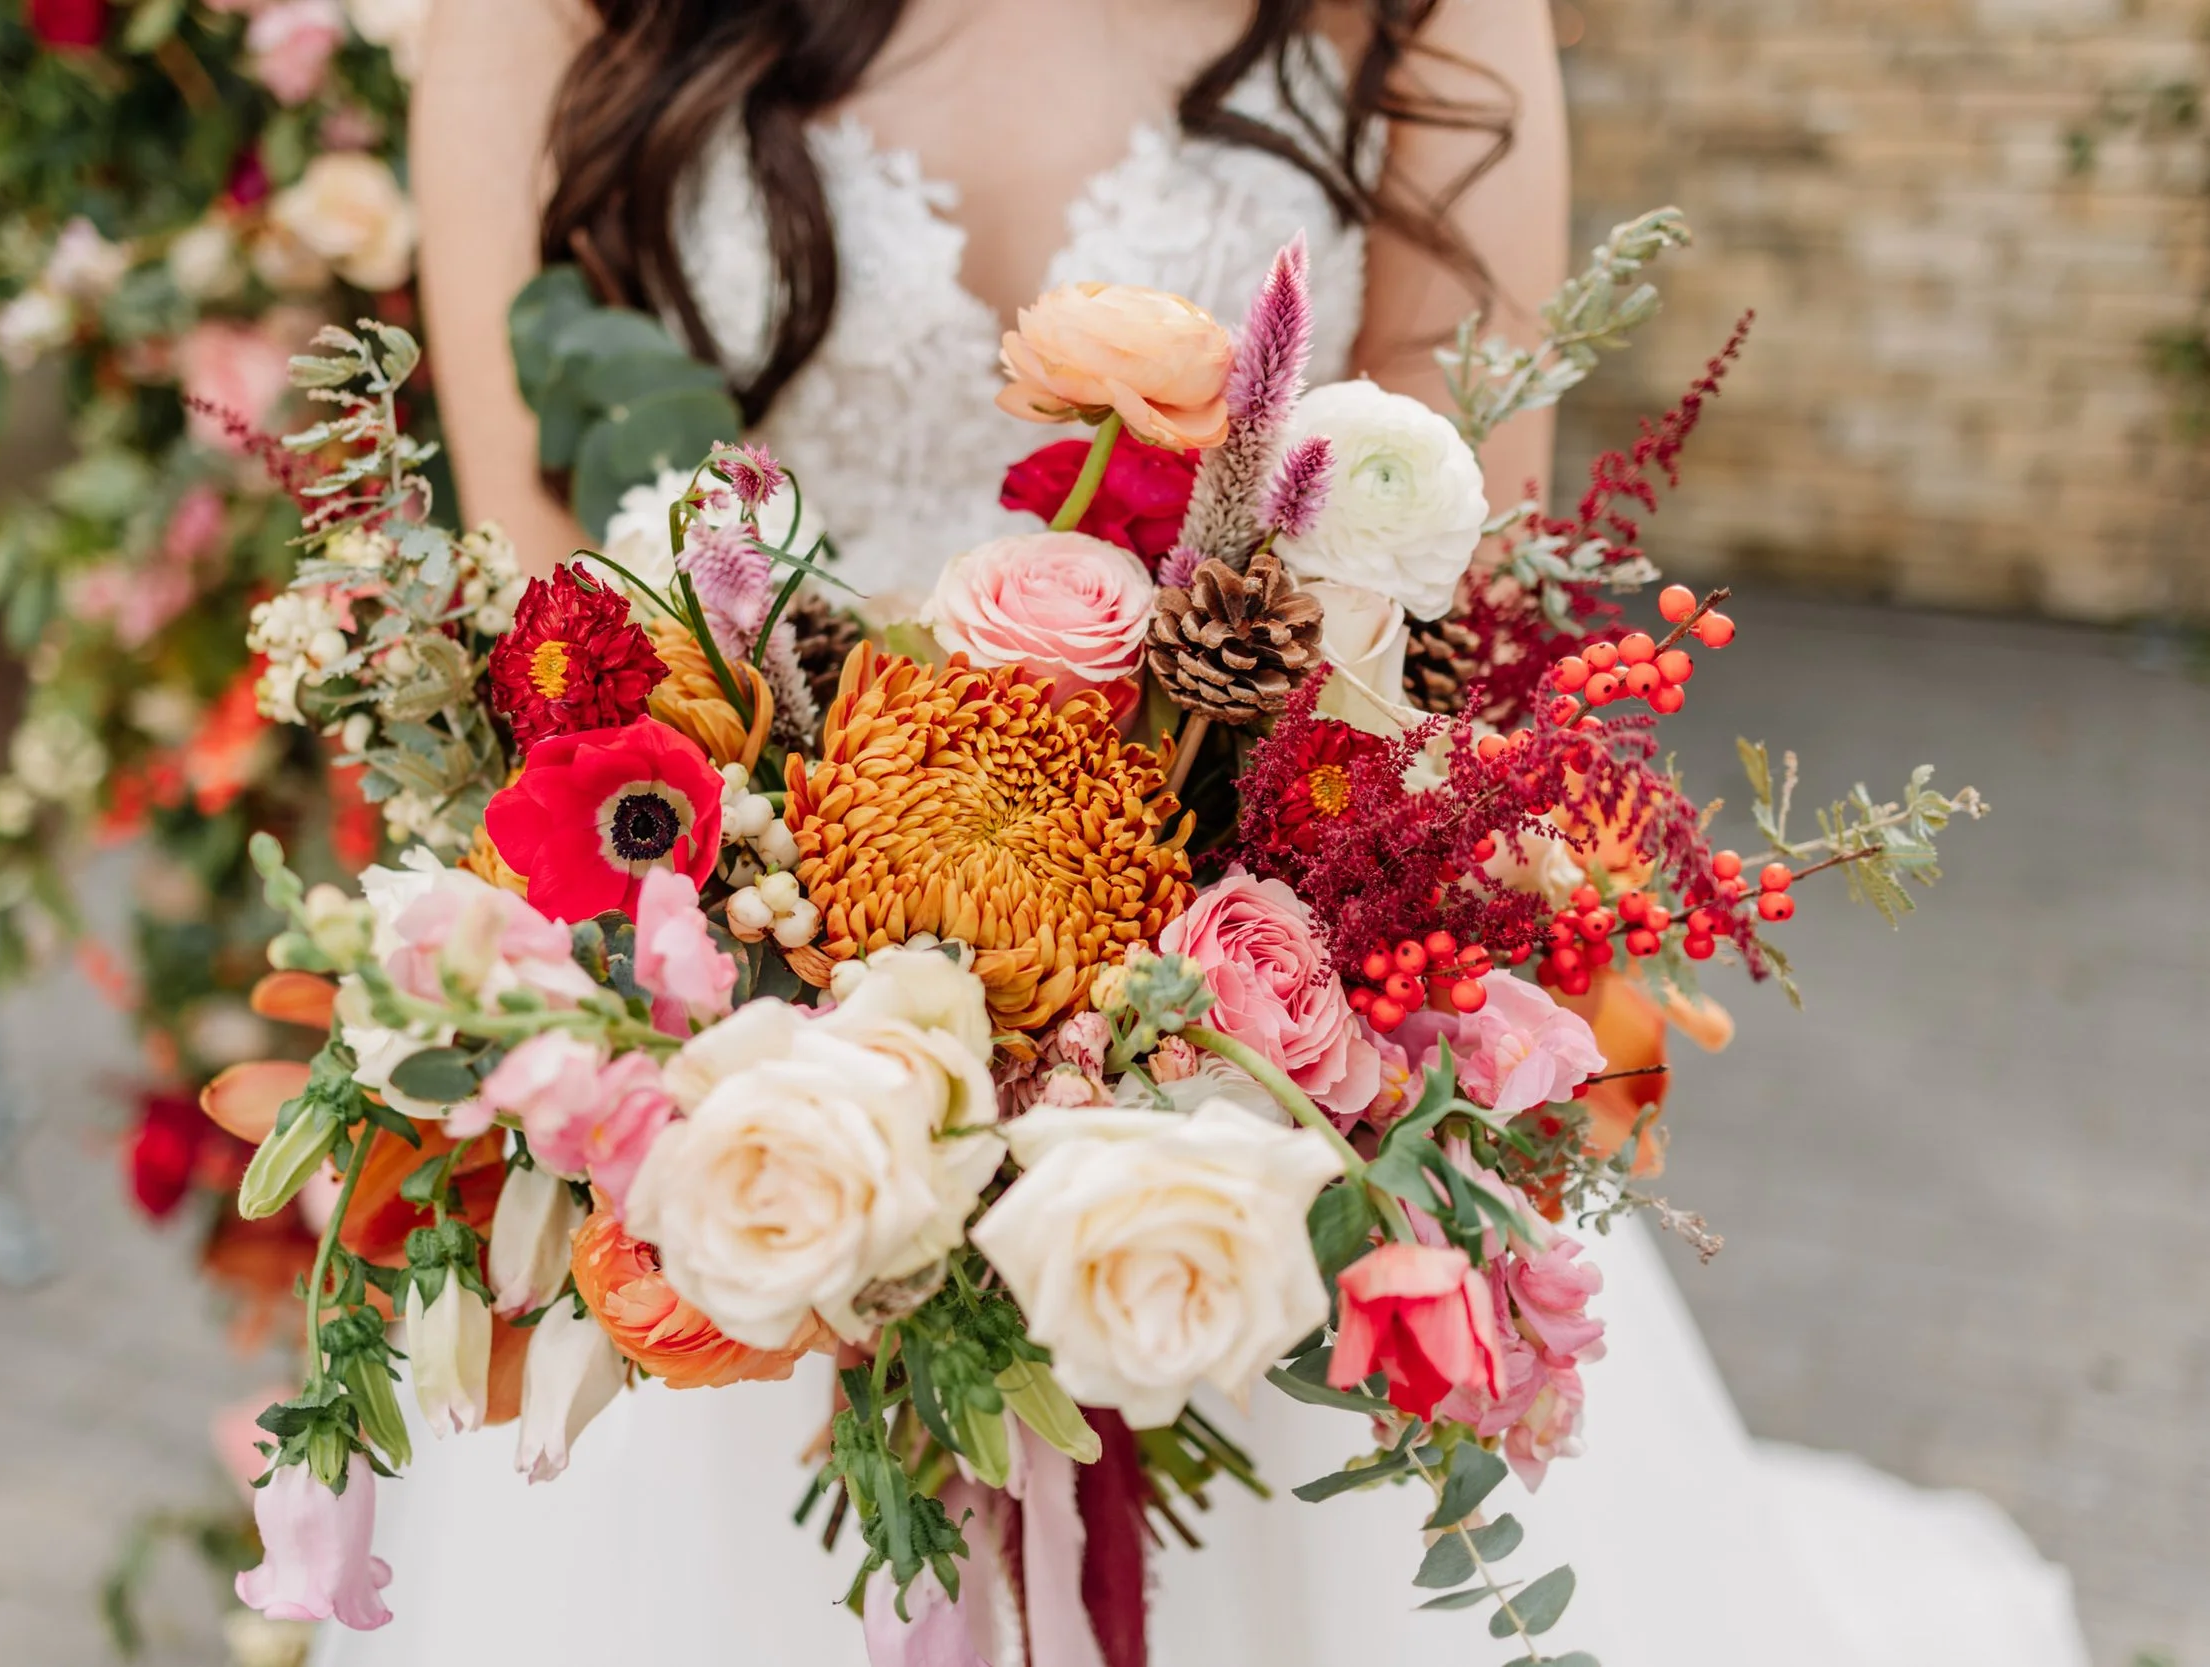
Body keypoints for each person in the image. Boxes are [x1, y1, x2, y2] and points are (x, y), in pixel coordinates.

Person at [337, 3, 2094, 1663]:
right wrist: (821, 1045)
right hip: (755, 1064)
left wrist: (1182, 1034)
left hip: (1253, 1039)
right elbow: (541, 591)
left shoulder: (1403, 13)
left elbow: (1456, 574)